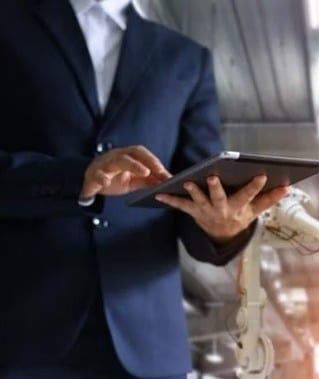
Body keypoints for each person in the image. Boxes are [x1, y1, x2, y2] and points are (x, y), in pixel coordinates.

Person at [0, 0, 289, 378]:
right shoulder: (9, 26)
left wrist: (222, 228)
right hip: (22, 333)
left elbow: (194, 196)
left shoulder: (186, 59)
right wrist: (78, 178)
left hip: (149, 344)